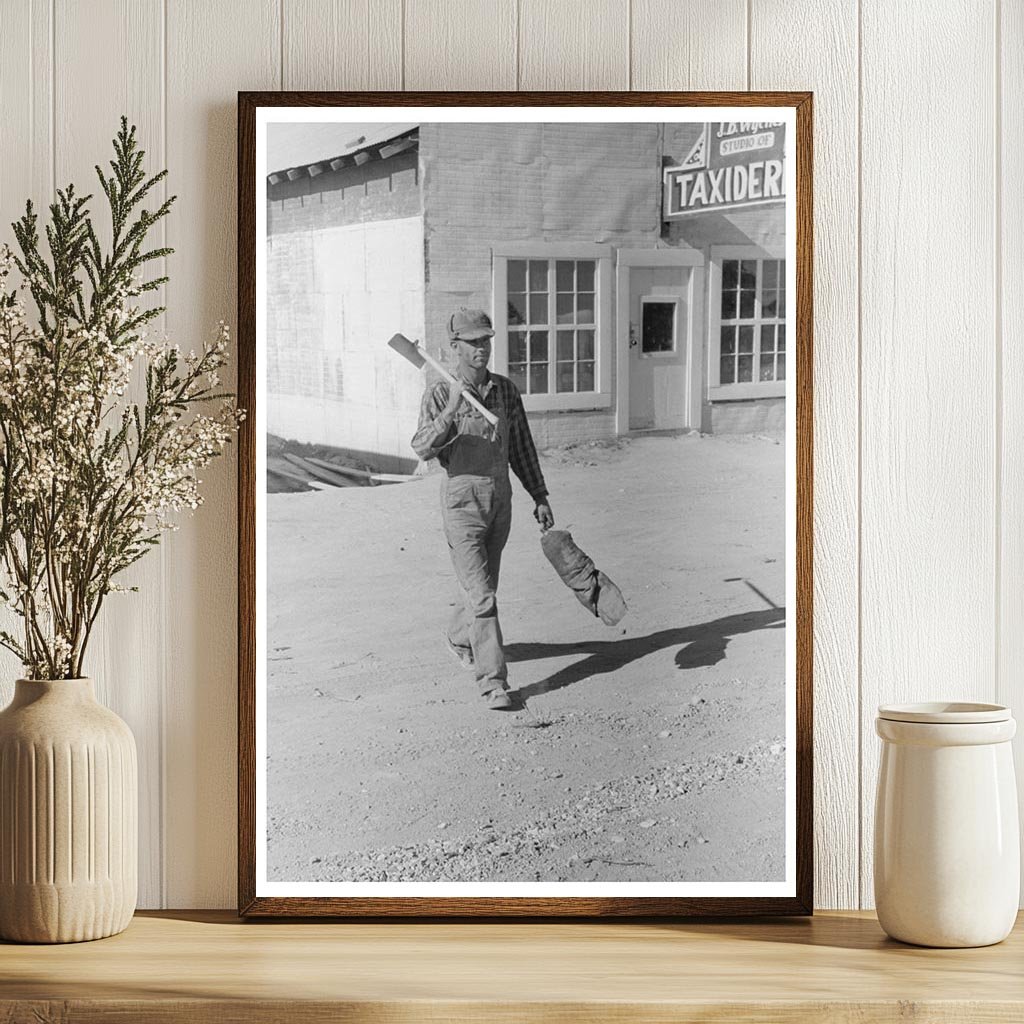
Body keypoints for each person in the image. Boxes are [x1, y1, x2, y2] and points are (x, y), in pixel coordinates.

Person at [411, 308, 554, 710]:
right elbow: (421, 447)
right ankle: (493, 682)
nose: (481, 350)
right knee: (485, 596)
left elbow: (522, 448)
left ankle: (459, 636)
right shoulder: (440, 393)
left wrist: (539, 496)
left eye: (486, 341)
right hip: (462, 504)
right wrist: (452, 408)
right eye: (473, 343)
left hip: (500, 501)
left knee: (482, 588)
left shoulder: (506, 391)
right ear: (454, 348)